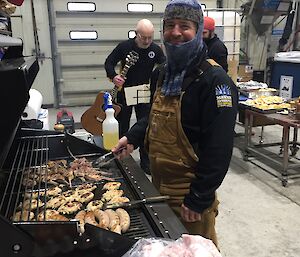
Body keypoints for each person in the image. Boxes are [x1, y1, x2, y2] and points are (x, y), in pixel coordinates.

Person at [112, 0, 237, 247]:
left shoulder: (214, 81)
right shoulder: (163, 72)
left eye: (184, 25)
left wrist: (199, 197)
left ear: (199, 29)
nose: (176, 32)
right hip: (158, 185)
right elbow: (154, 115)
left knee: (196, 250)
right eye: (170, 25)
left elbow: (219, 147)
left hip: (189, 196)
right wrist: (133, 137)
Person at [104, 19, 165, 174]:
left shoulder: (155, 49)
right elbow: (109, 62)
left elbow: (165, 66)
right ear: (136, 33)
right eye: (143, 37)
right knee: (122, 126)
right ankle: (120, 159)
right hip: (125, 92)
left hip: (144, 92)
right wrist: (113, 76)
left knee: (145, 128)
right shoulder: (124, 47)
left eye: (150, 37)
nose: (147, 41)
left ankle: (146, 162)